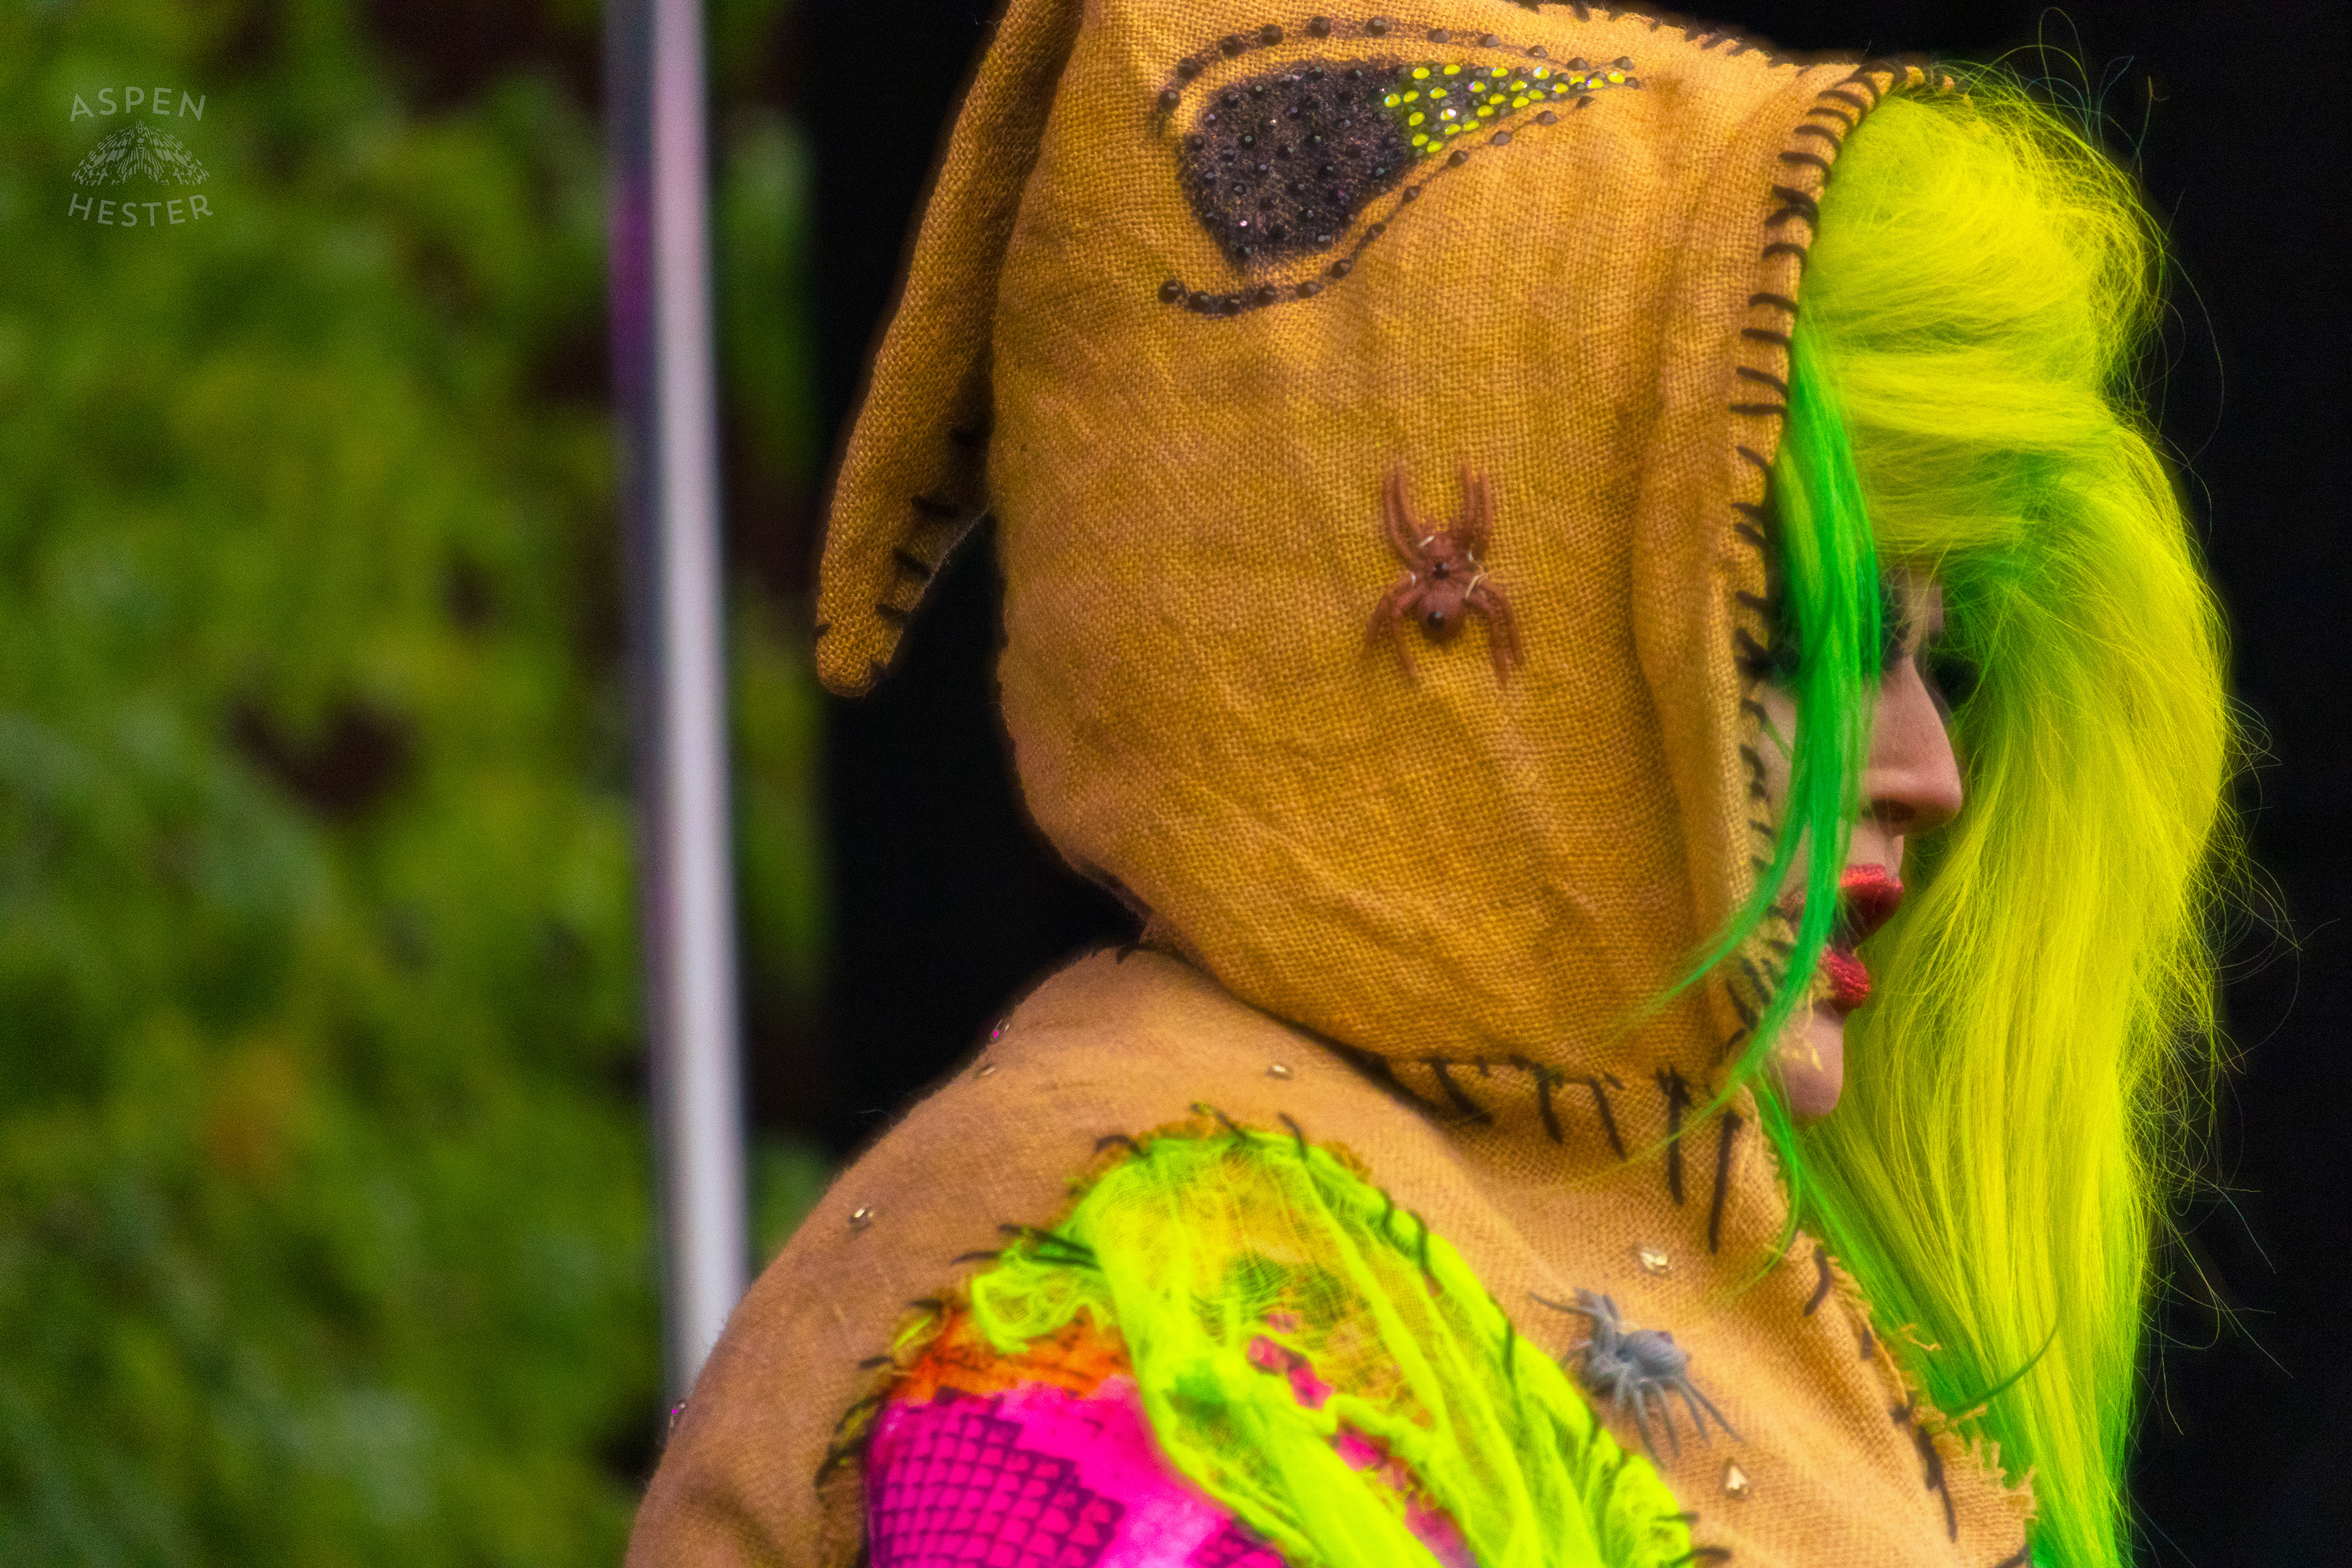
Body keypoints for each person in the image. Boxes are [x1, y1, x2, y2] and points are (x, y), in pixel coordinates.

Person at [629, 4, 2234, 1564]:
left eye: (1940, 664)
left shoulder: (1708, 1255)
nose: (1929, 772)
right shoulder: (1124, 1342)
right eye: (1793, 639)